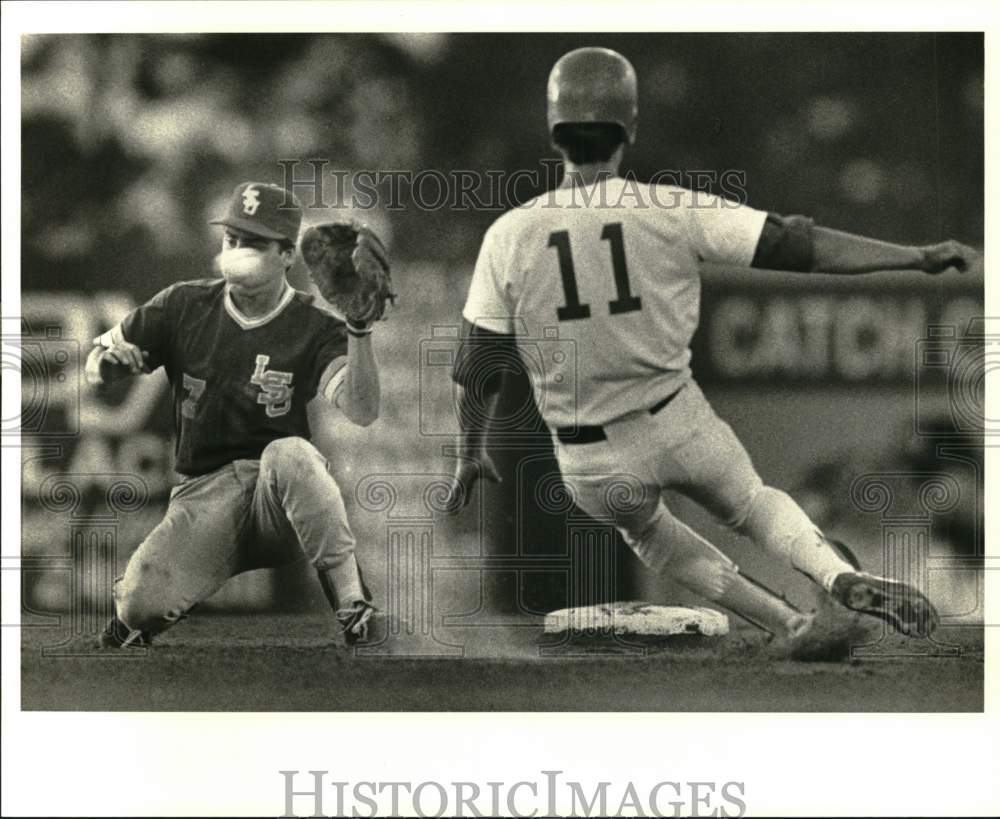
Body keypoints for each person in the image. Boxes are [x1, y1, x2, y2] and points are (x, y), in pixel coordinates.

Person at [444, 47, 980, 640]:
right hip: (679, 421)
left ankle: (784, 622)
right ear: (631, 128)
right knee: (752, 505)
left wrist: (470, 451)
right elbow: (796, 245)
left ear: (553, 132)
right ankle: (832, 575)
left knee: (649, 534)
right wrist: (913, 258)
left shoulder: (509, 235)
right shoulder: (675, 208)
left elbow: (477, 366)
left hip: (589, 456)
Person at [87, 182, 383, 647]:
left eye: (255, 242)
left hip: (278, 500)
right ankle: (130, 618)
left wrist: (360, 331)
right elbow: (95, 362)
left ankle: (352, 602)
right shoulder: (183, 303)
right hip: (202, 497)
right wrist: (107, 365)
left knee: (291, 454)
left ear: (287, 255)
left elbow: (362, 410)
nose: (239, 249)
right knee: (140, 604)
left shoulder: (313, 324)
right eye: (233, 239)